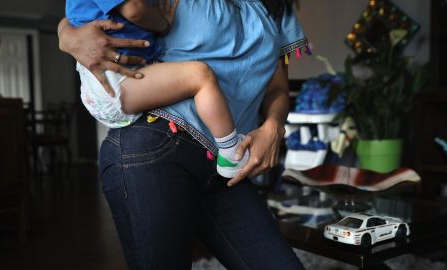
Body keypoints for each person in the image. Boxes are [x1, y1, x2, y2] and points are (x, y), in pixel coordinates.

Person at [58, 0, 309, 269]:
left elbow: (278, 90)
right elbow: (117, 8)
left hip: (228, 164)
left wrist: (273, 126)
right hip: (155, 148)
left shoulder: (277, 7)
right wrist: (66, 33)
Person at [65, 0, 249, 178]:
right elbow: (134, 9)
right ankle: (231, 153)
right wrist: (163, 24)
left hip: (117, 75)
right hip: (114, 80)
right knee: (201, 75)